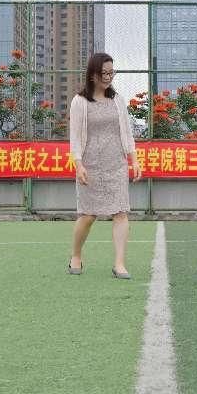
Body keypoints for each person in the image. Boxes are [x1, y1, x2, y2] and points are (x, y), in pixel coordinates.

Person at [68, 53, 142, 279]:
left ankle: (119, 264)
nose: (109, 77)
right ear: (92, 75)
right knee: (88, 215)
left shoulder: (117, 100)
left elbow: (127, 133)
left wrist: (134, 160)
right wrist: (79, 165)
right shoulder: (79, 102)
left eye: (112, 72)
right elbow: (75, 138)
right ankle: (76, 255)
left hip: (116, 164)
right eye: (104, 73)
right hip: (90, 165)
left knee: (121, 212)